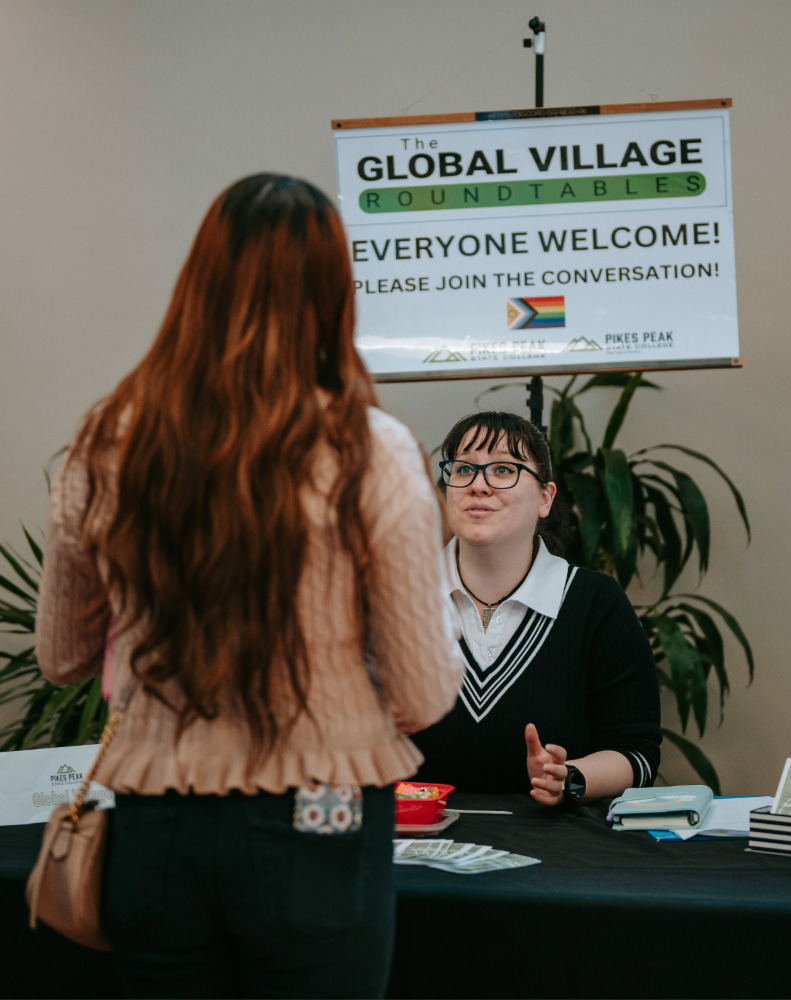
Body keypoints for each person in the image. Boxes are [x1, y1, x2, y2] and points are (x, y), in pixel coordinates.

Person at [36, 173, 463, 999]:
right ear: (335, 295)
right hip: (321, 818)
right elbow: (422, 690)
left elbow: (61, 655)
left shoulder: (108, 442)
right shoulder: (370, 450)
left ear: (196, 284)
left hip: (156, 826)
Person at [410, 411, 661, 804]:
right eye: (463, 470)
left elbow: (638, 753)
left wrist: (569, 778)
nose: (479, 485)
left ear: (545, 498)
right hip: (413, 841)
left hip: (559, 849)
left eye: (504, 470)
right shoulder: (397, 596)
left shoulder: (595, 602)